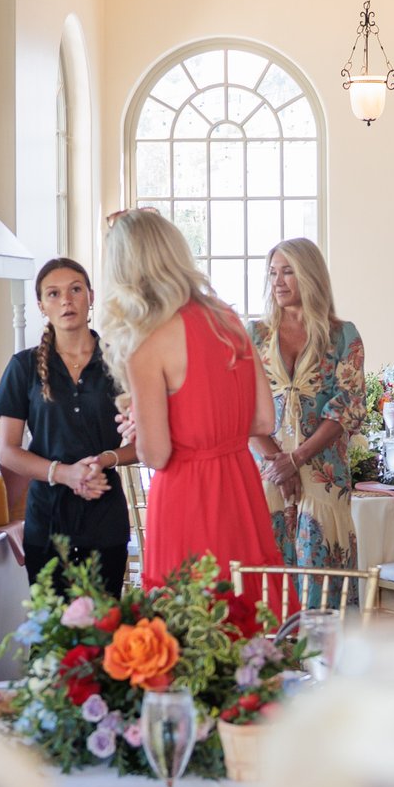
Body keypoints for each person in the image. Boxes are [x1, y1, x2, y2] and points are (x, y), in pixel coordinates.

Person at [100, 208, 280, 631]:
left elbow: (156, 454)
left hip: (186, 495)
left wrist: (144, 426)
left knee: (188, 629)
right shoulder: (227, 319)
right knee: (245, 619)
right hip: (240, 487)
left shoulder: (147, 341)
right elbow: (263, 419)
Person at [0, 257, 134, 593]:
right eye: (53, 294)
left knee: (105, 624)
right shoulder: (23, 366)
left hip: (105, 519)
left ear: (91, 296)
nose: (66, 301)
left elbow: (146, 443)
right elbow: (7, 451)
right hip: (46, 522)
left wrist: (104, 460)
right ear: (41, 306)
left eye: (75, 290)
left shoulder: (121, 362)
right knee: (50, 624)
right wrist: (64, 474)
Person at [250, 238, 368, 571]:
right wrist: (279, 464)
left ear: (310, 276)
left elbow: (346, 406)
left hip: (322, 472)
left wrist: (297, 459)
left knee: (321, 568)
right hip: (266, 470)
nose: (277, 281)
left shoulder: (343, 335)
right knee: (267, 573)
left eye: (288, 272)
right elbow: (240, 408)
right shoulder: (255, 335)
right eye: (273, 272)